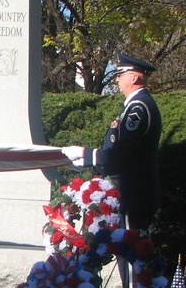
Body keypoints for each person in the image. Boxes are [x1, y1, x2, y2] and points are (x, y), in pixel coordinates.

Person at [64, 53, 161, 232]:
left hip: (133, 194)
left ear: (134, 77)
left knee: (132, 251)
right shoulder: (134, 105)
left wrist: (87, 155)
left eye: (121, 74)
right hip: (129, 193)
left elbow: (122, 152)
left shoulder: (138, 108)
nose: (117, 79)